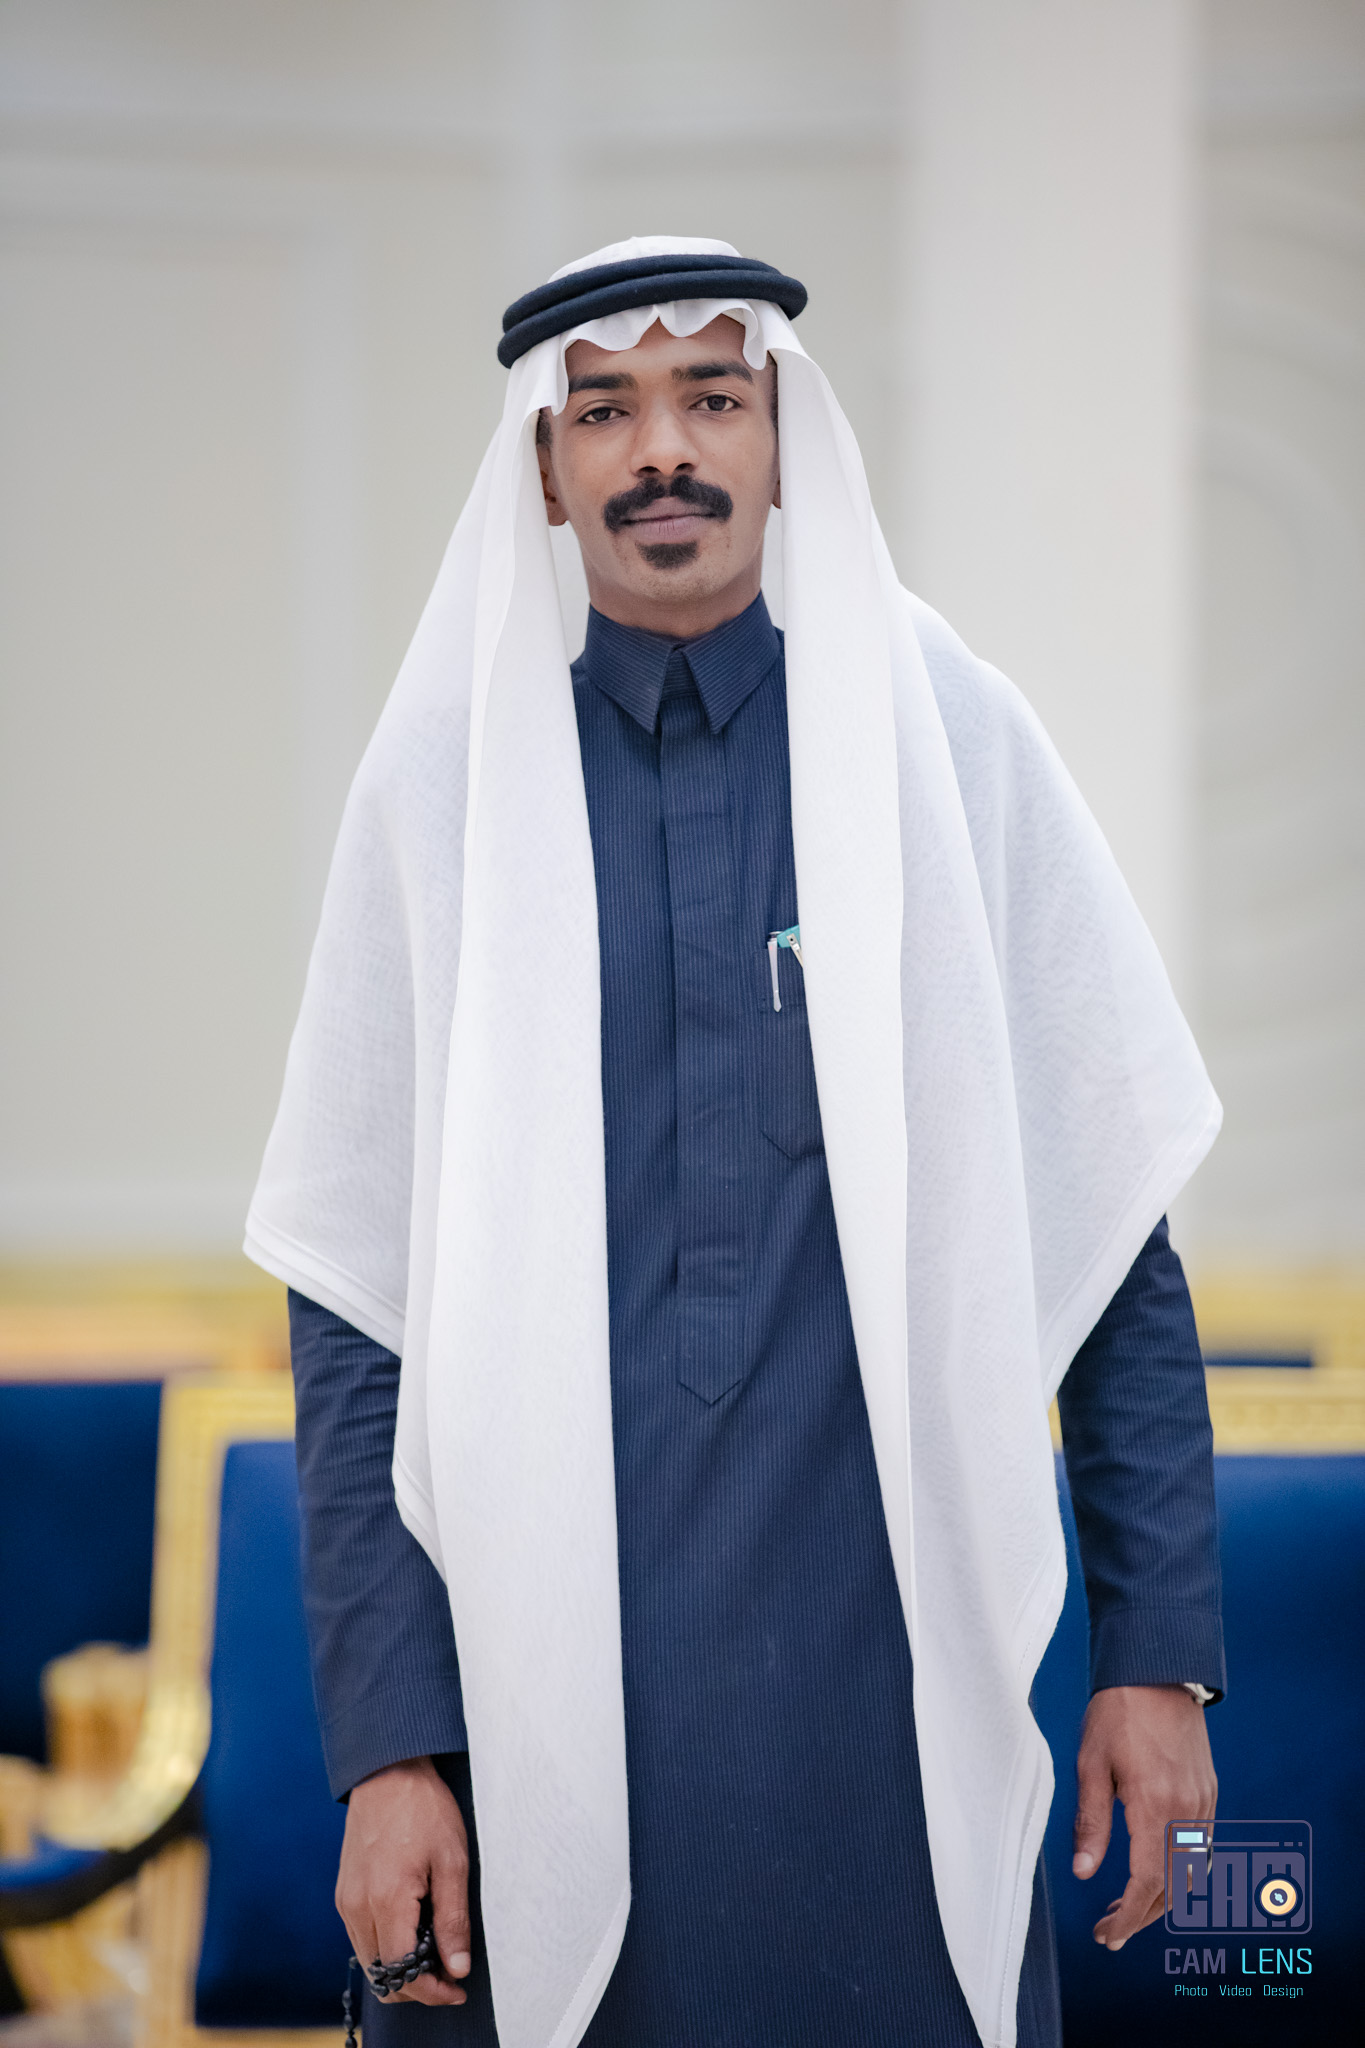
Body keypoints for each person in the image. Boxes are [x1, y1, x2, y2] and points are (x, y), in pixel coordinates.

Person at [247, 237, 1225, 2048]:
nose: (661, 451)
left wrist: (1155, 1655)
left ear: (784, 439)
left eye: (711, 397)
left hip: (888, 1687)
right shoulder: (444, 789)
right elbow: (357, 1320)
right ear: (546, 473)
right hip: (531, 1709)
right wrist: (389, 1752)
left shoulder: (945, 747)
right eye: (603, 412)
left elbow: (1107, 1244)